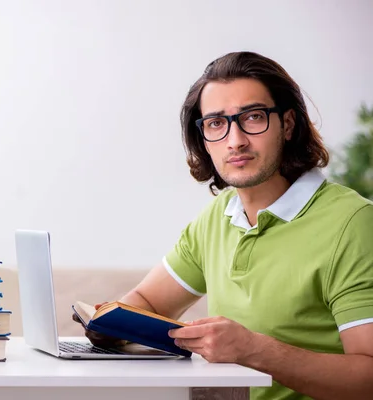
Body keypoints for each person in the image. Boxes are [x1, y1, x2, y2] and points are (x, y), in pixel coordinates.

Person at [73, 51, 373, 400]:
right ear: (203, 138)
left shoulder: (352, 223)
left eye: (254, 117)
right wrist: (109, 322)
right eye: (216, 123)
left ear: (288, 124)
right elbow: (148, 301)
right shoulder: (218, 216)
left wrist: (254, 350)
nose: (235, 140)